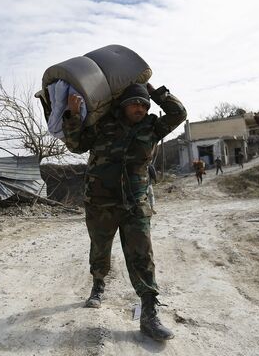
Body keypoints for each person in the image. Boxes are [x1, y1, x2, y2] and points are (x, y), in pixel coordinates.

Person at [62, 82, 186, 341]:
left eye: (144, 104)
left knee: (143, 255)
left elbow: (179, 114)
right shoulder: (102, 124)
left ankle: (149, 314)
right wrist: (72, 115)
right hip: (100, 201)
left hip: (136, 202)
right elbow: (75, 145)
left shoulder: (152, 127)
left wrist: (154, 91)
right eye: (135, 103)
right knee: (100, 247)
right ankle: (98, 284)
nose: (140, 107)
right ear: (122, 105)